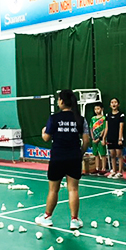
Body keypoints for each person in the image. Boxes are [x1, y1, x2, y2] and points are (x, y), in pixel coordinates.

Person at [35, 90, 91, 230]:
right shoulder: (80, 119)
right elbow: (86, 141)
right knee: (73, 189)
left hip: (57, 157)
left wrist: (43, 131)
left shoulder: (54, 118)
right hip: (73, 157)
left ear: (61, 101)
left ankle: (47, 217)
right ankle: (74, 220)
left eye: (58, 99)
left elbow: (46, 138)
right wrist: (80, 153)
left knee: (53, 190)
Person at [103, 97, 124, 179]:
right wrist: (104, 138)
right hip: (110, 137)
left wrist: (120, 138)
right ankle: (114, 170)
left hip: (117, 137)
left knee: (119, 154)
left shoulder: (121, 115)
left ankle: (120, 172)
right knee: (112, 155)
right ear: (110, 105)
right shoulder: (108, 115)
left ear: (118, 104)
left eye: (115, 102)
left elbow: (121, 127)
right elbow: (106, 127)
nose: (114, 104)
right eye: (112, 102)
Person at [89, 102, 107, 175]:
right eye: (95, 109)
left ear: (102, 109)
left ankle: (103, 168)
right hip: (94, 139)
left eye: (98, 108)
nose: (96, 110)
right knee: (95, 154)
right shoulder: (92, 118)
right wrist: (93, 138)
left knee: (102, 154)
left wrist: (100, 138)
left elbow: (104, 128)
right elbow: (91, 128)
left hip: (101, 139)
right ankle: (97, 168)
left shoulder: (103, 118)